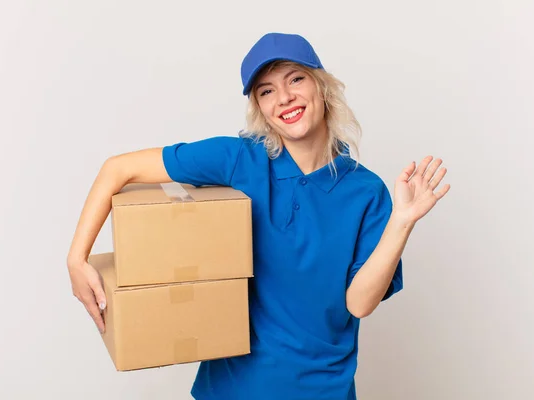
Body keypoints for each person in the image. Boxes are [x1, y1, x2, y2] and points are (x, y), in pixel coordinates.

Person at [67, 32, 450, 400]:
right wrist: (76, 260)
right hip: (234, 388)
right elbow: (118, 170)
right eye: (266, 91)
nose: (284, 98)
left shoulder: (366, 191)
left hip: (323, 390)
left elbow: (359, 304)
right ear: (261, 109)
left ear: (323, 88)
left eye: (295, 79)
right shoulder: (241, 159)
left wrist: (403, 220)